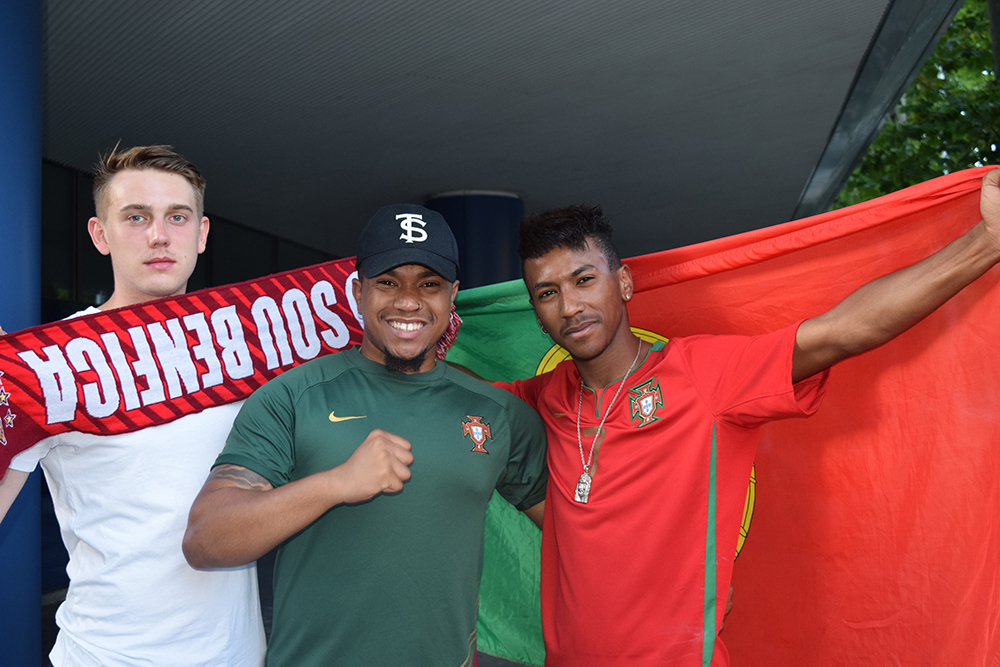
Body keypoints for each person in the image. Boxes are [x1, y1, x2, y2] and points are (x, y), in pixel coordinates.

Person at [500, 168, 1000, 667]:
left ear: (624, 282)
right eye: (547, 293)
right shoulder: (540, 398)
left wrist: (986, 242)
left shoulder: (702, 375)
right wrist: (428, 322)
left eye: (584, 279)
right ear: (536, 311)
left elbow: (843, 332)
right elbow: (440, 390)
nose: (570, 305)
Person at [182, 204, 548, 666]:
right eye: (388, 282)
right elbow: (206, 539)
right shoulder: (294, 397)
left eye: (429, 284)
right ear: (358, 292)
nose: (408, 301)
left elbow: (579, 529)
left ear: (452, 294)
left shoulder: (498, 414)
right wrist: (334, 484)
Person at [0, 145, 265, 666]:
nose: (159, 236)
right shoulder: (51, 363)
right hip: (104, 656)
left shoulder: (252, 348)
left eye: (177, 217)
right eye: (136, 217)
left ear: (202, 233)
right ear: (101, 235)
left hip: (236, 656)